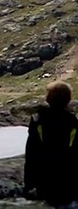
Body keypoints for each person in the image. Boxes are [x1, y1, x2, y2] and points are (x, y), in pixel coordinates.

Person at [24, 80, 78, 208]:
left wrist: (28, 185)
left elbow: (31, 153)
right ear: (68, 99)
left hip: (44, 183)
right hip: (68, 184)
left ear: (48, 98)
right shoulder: (73, 123)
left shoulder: (38, 121)